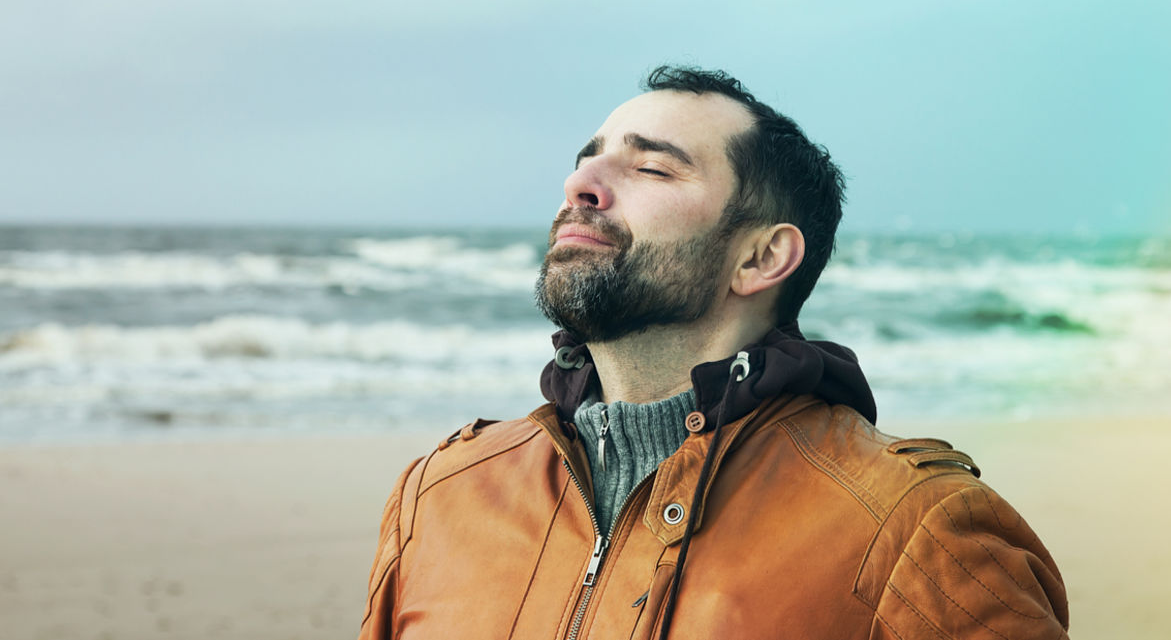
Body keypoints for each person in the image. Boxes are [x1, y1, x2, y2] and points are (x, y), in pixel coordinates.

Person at [358, 66, 1069, 640]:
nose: (580, 186)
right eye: (587, 162)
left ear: (761, 258)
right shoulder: (440, 494)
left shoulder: (916, 529)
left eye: (653, 169)